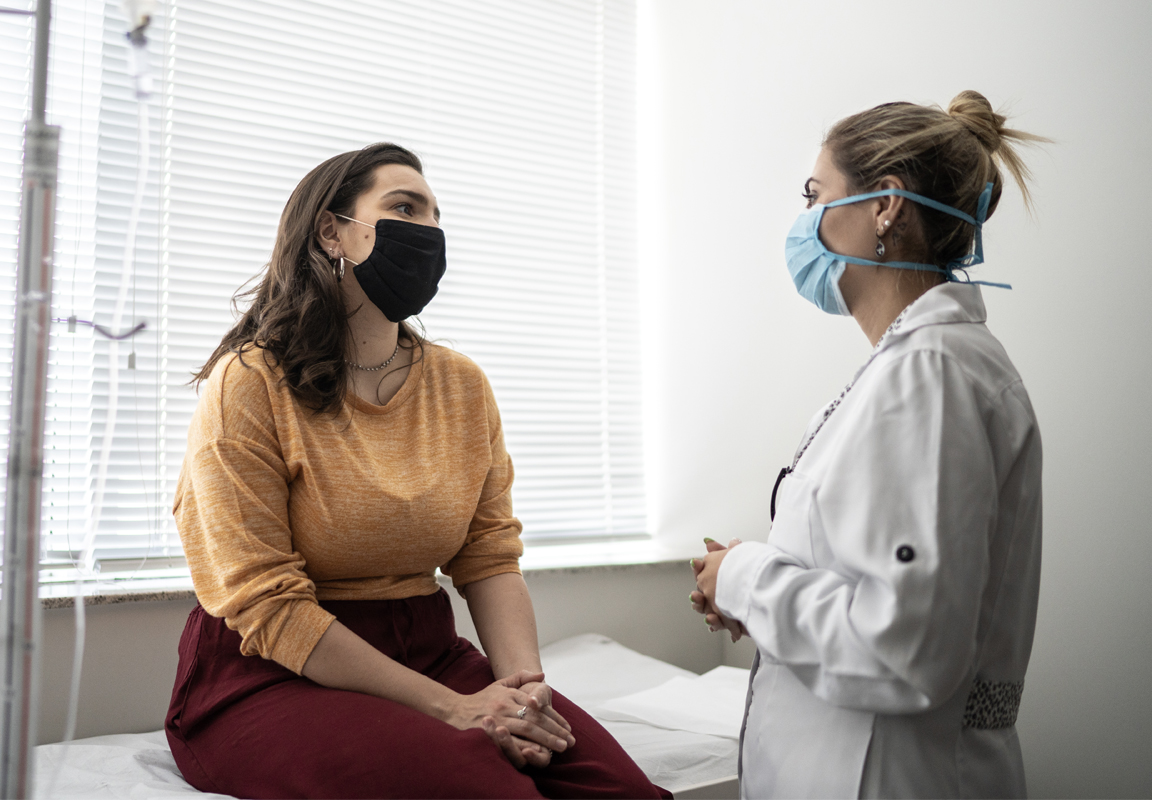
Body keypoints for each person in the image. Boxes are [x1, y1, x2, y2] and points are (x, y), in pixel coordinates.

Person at [166, 142, 668, 799]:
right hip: (271, 673)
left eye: (435, 215)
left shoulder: (460, 385)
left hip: (429, 651)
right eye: (404, 207)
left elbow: (488, 555)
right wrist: (457, 709)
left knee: (622, 791)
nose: (427, 230)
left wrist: (523, 692)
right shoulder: (250, 384)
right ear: (333, 232)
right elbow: (265, 603)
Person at [690, 91, 1046, 798]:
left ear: (887, 205)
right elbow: (876, 584)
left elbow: (904, 650)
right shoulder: (913, 369)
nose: (803, 221)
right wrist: (754, 593)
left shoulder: (931, 375)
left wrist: (744, 576)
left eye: (815, 194)